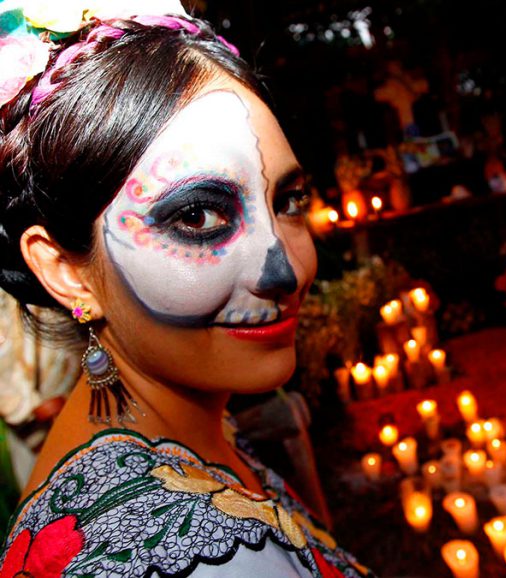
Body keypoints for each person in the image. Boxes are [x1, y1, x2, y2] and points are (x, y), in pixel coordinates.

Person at [0, 2, 373, 576]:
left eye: (288, 201)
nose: (287, 271)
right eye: (198, 217)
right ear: (65, 269)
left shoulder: (188, 431)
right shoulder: (188, 557)